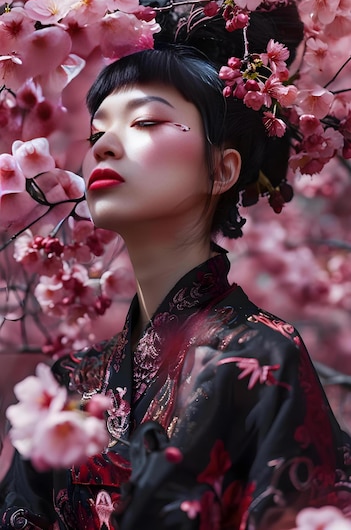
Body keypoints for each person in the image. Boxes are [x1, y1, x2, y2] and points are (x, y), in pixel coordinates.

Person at [2, 38, 351, 530]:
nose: (102, 144)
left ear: (221, 170)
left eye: (145, 122)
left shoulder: (264, 355)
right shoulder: (69, 384)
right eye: (96, 132)